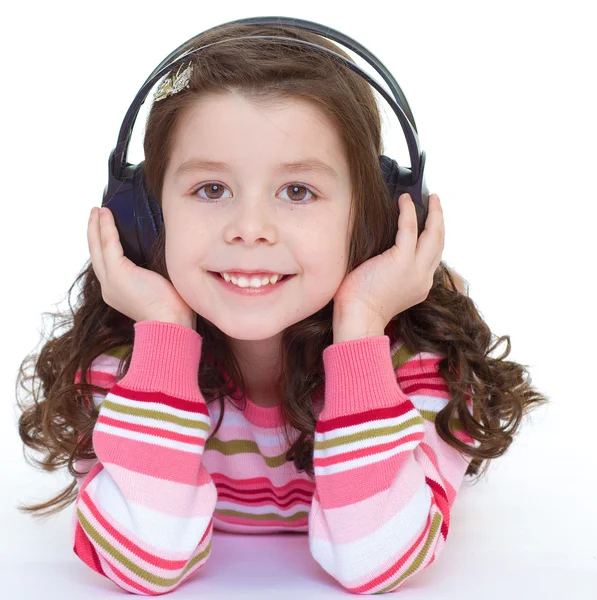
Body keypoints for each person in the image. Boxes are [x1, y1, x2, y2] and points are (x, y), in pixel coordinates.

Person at [16, 21, 550, 595]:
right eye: (211, 190)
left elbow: (378, 562)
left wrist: (362, 330)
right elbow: (143, 565)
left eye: (298, 191)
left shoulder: (410, 363)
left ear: (372, 215)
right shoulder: (128, 364)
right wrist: (164, 336)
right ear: (142, 217)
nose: (251, 230)